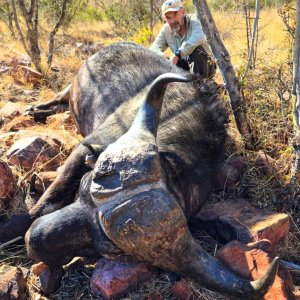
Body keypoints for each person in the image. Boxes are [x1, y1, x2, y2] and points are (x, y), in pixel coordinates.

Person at [150, 0, 216, 78]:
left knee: (196, 51)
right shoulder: (166, 29)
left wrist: (178, 54)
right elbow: (153, 48)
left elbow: (199, 37)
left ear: (183, 12)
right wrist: (163, 59)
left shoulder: (195, 20)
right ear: (164, 18)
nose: (172, 21)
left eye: (175, 15)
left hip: (206, 65)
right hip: (184, 66)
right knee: (161, 60)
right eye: (168, 17)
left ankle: (203, 86)